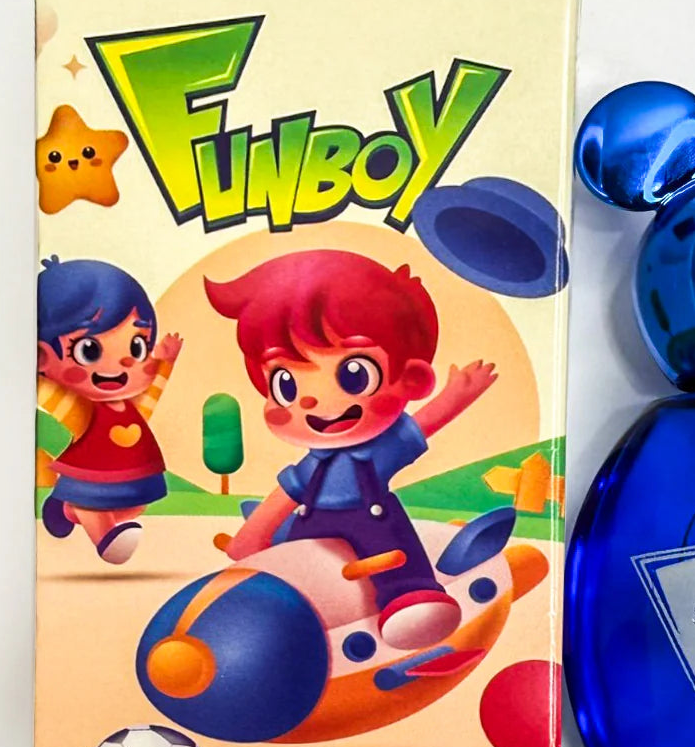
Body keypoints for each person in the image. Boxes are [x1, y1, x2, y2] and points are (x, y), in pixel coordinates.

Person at [206, 250, 496, 649]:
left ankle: (409, 593)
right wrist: (251, 539)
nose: (311, 401)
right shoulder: (313, 465)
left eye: (353, 375)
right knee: (296, 569)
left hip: (371, 521)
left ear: (412, 379)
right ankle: (284, 611)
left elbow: (423, 424)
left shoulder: (379, 450)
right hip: (312, 527)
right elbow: (284, 496)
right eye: (286, 384)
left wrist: (456, 396)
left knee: (393, 547)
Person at [37, 257, 182, 564]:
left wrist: (165, 363)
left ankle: (66, 510)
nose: (125, 363)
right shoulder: (81, 410)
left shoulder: (131, 406)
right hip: (88, 476)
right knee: (92, 504)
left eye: (137, 347)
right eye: (89, 350)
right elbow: (46, 394)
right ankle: (105, 539)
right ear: (43, 357)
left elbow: (150, 401)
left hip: (133, 470)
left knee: (135, 505)